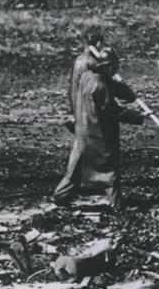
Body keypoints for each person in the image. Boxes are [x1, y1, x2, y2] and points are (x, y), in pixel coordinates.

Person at [52, 47, 144, 209]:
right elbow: (114, 111)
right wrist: (140, 116)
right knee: (110, 170)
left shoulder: (88, 77)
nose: (117, 69)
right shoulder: (101, 86)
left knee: (76, 168)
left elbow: (118, 90)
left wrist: (127, 92)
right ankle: (117, 205)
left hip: (82, 130)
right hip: (98, 133)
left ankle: (61, 195)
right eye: (115, 66)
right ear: (109, 67)